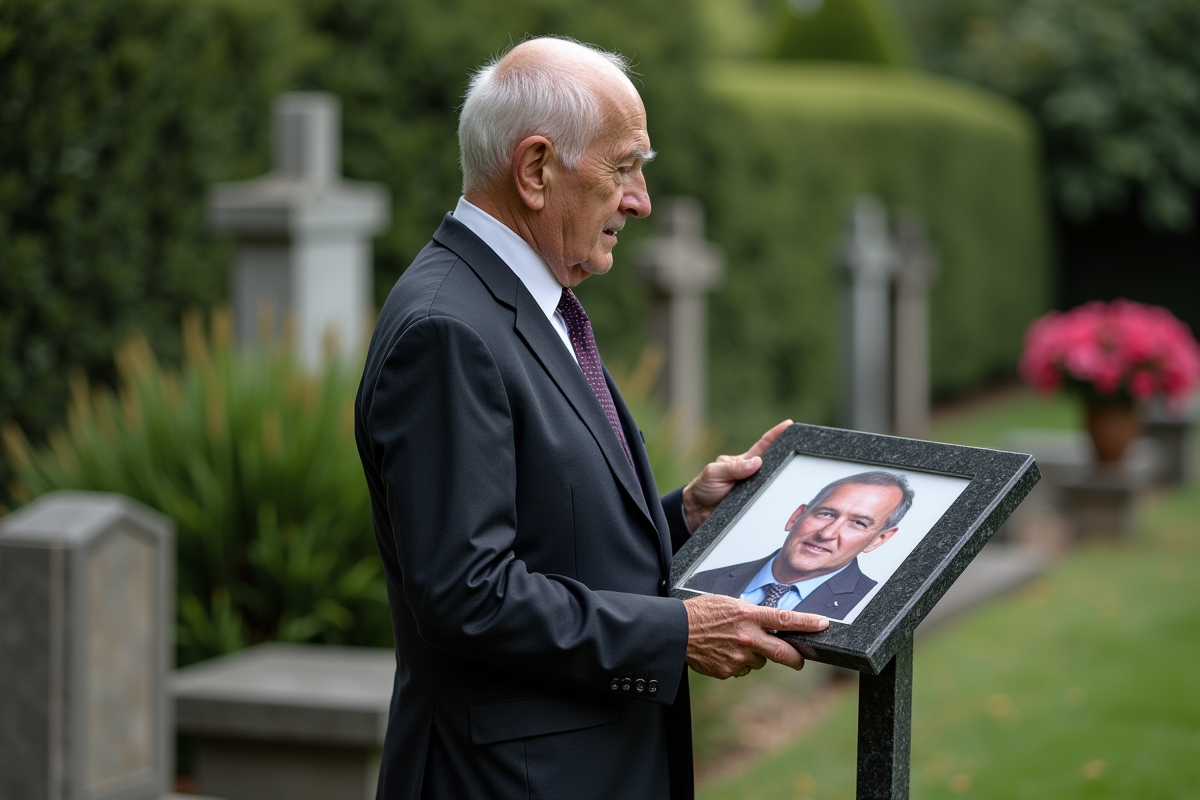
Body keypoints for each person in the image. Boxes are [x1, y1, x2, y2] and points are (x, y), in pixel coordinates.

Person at [354, 36, 830, 800]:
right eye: (625, 167)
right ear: (537, 169)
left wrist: (682, 516)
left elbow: (551, 534)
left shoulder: (525, 303)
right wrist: (677, 632)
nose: (640, 200)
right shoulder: (448, 328)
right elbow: (466, 593)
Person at [685, 472, 914, 620]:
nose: (827, 533)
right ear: (797, 516)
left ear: (878, 539)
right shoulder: (701, 582)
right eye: (826, 513)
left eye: (858, 523)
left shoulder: (873, 608)